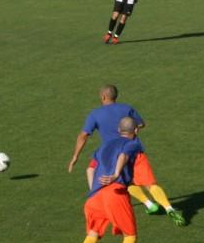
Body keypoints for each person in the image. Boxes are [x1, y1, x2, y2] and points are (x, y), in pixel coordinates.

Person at [68, 85, 186, 227]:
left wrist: (75, 156)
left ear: (103, 97)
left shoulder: (95, 114)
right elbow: (141, 124)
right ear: (115, 96)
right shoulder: (126, 108)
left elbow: (83, 135)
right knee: (150, 184)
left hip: (114, 156)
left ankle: (149, 204)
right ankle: (168, 208)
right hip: (134, 151)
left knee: (125, 183)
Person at [73, 116, 144, 243]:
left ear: (119, 129)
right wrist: (115, 175)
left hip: (95, 196)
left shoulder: (104, 145)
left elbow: (90, 169)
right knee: (131, 236)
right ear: (135, 130)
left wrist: (95, 190)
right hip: (115, 192)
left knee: (92, 236)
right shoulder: (134, 143)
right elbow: (123, 155)